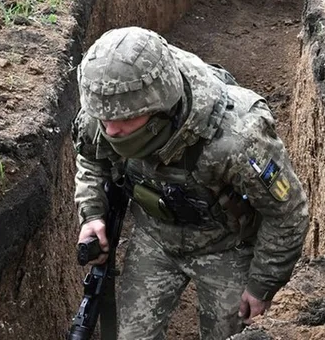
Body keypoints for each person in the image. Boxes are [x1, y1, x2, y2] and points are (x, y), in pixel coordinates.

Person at [72, 26, 309, 340]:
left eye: (126, 119)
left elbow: (287, 213)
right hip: (155, 240)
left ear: (159, 105)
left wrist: (262, 284)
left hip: (227, 246)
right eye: (104, 119)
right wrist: (92, 214)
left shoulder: (237, 138)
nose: (112, 130)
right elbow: (90, 158)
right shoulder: (106, 105)